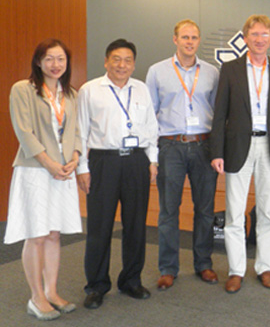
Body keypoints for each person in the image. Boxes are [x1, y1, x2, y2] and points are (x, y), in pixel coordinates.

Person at [210, 14, 270, 293]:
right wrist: (217, 150)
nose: (259, 40)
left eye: (264, 35)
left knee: (267, 212)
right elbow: (220, 112)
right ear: (245, 38)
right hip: (237, 147)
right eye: (254, 35)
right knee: (235, 213)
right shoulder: (230, 68)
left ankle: (265, 267)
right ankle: (236, 270)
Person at [76, 39, 159, 309]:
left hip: (136, 161)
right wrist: (83, 168)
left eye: (127, 60)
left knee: (135, 224)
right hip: (103, 161)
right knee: (100, 227)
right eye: (116, 59)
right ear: (106, 61)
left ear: (134, 64)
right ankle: (97, 285)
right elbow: (80, 131)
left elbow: (151, 127)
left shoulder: (142, 89)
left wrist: (152, 161)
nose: (122, 65)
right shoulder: (90, 90)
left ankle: (131, 280)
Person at [5, 39, 82, 320]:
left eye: (60, 58)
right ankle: (36, 297)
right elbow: (24, 132)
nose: (55, 64)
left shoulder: (70, 94)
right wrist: (50, 164)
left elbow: (76, 132)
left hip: (62, 172)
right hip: (36, 171)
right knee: (36, 234)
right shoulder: (22, 90)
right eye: (49, 58)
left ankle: (52, 291)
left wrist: (74, 157)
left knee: (53, 233)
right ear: (38, 61)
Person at [146, 19, 220, 290]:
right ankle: (168, 268)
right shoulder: (157, 72)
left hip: (203, 146)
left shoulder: (212, 72)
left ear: (199, 41)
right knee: (168, 210)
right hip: (170, 146)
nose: (190, 42)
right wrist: (152, 156)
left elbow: (217, 113)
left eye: (194, 37)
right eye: (185, 37)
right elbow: (149, 115)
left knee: (205, 210)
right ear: (175, 39)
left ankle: (204, 264)